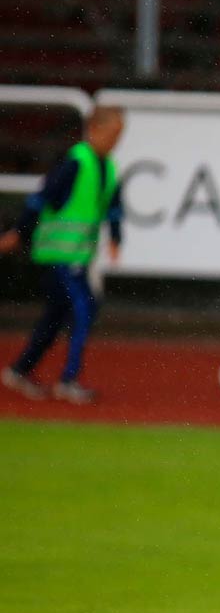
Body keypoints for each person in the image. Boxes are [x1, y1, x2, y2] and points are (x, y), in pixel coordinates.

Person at [1, 106, 126, 404]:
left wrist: (117, 238)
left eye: (119, 136)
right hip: (58, 254)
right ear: (93, 130)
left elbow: (113, 207)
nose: (115, 141)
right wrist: (19, 233)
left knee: (56, 315)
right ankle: (68, 379)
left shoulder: (107, 168)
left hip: (77, 257)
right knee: (84, 307)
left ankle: (20, 370)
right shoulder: (75, 163)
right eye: (112, 134)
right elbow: (40, 198)